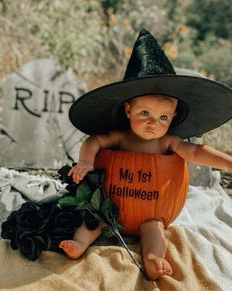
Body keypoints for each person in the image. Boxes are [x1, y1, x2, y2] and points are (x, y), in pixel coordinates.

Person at [59, 29, 232, 280]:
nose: (153, 123)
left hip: (153, 212)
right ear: (128, 110)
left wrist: (228, 162)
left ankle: (153, 258)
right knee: (92, 221)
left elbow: (195, 151)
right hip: (110, 207)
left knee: (155, 230)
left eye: (162, 117)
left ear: (173, 117)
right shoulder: (120, 137)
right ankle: (79, 244)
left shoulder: (169, 142)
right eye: (144, 114)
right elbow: (93, 141)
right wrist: (85, 162)